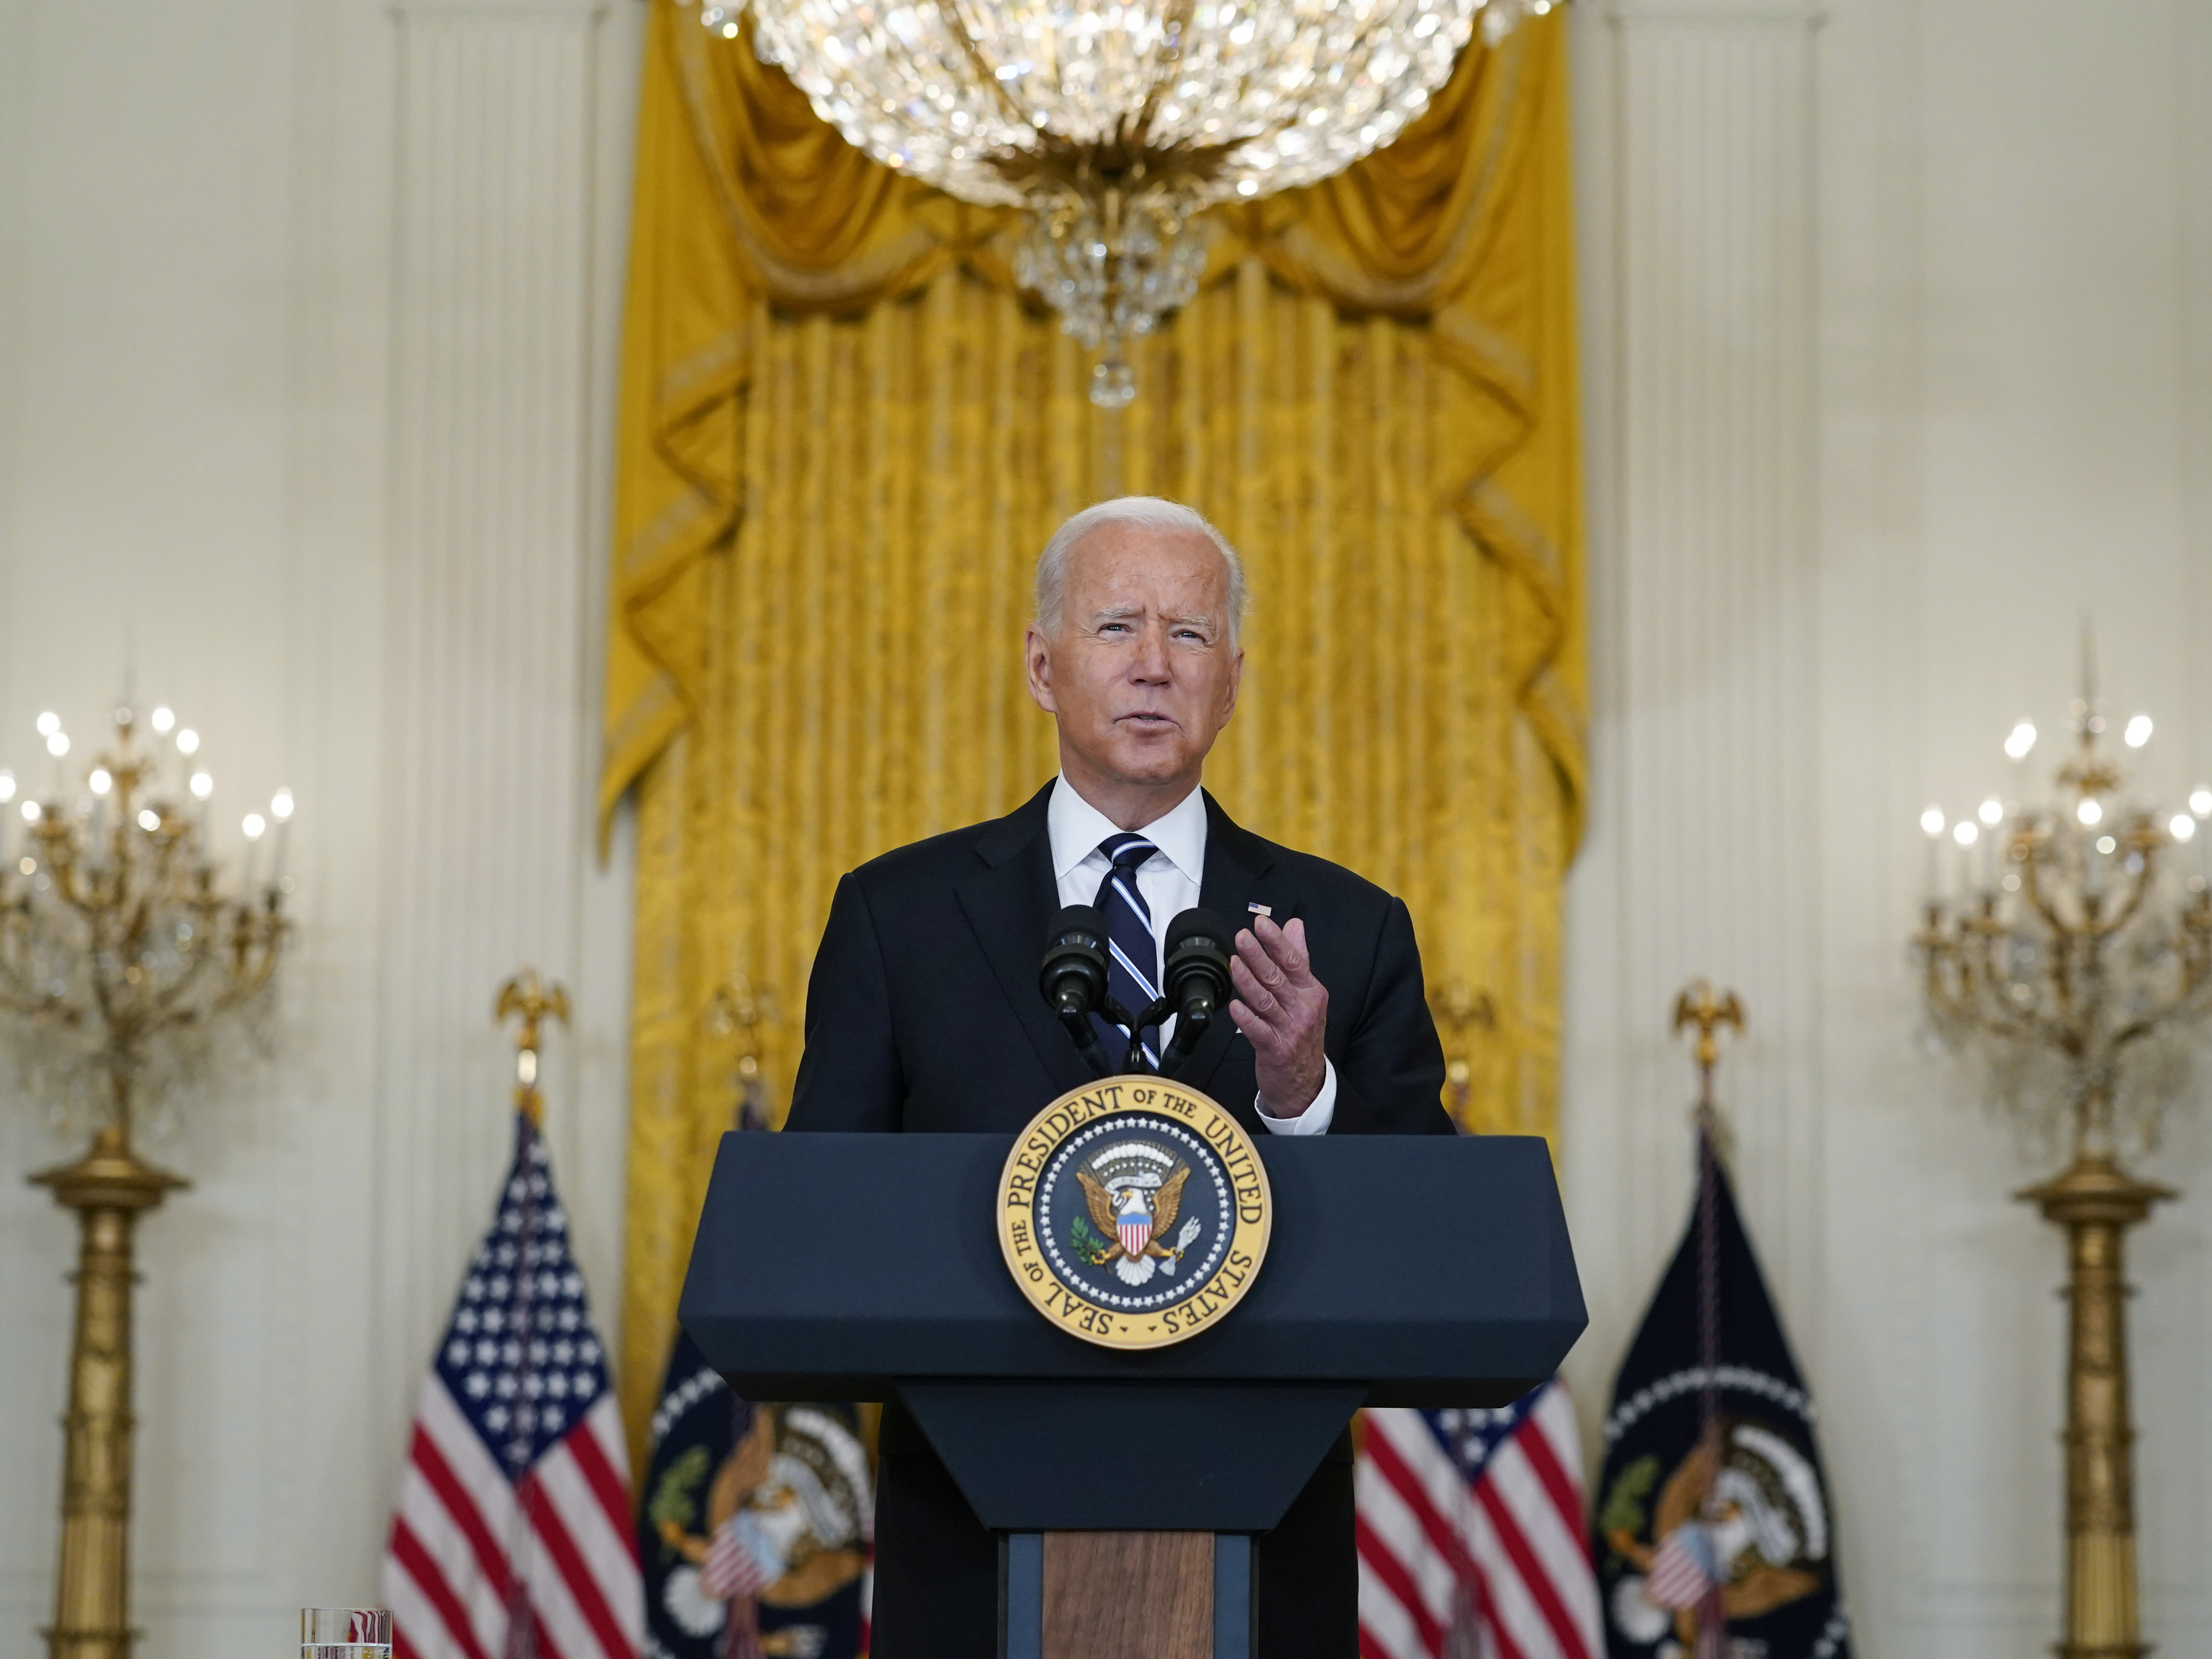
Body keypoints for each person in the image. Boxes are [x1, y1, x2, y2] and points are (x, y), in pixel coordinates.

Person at [785, 495, 1454, 1656]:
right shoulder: (899, 918)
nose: (1153, 667)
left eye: (1189, 635)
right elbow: (814, 1230)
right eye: (1115, 629)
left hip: (1260, 1552)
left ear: (1232, 681)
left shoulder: (1346, 932)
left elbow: (1435, 1253)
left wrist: (1305, 1093)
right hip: (971, 1558)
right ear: (1042, 668)